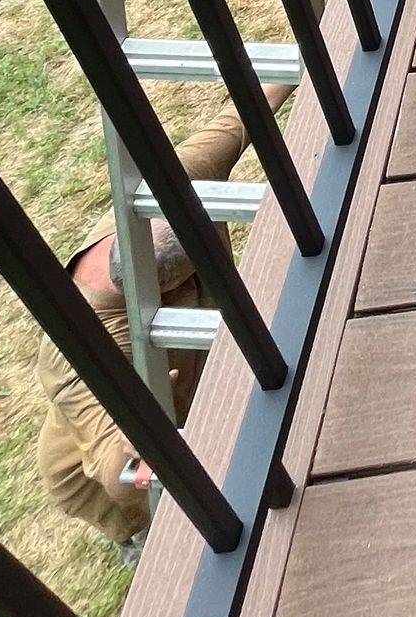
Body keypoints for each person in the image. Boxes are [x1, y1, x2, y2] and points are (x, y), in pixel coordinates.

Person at [37, 86, 292, 556]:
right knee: (184, 533)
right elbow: (112, 470)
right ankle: (142, 546)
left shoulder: (170, 195)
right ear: (146, 286)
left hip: (189, 384)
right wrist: (140, 443)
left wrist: (299, 60)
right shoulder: (74, 349)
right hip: (107, 480)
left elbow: (234, 121)